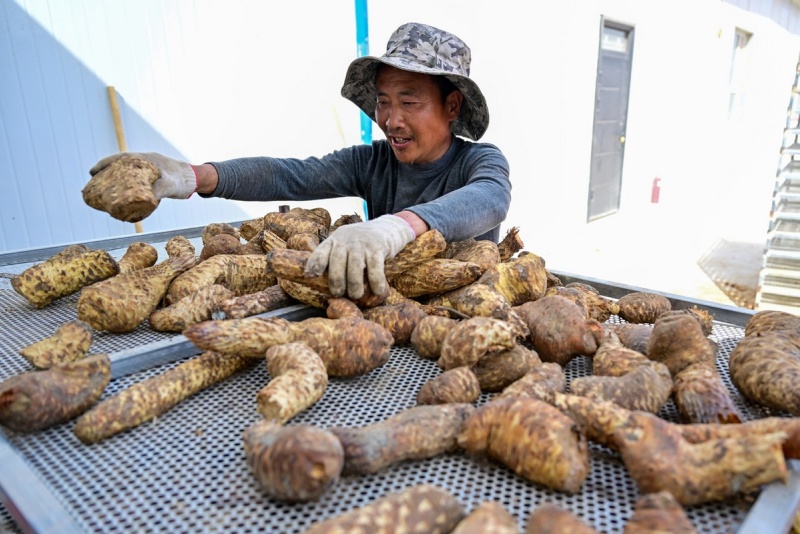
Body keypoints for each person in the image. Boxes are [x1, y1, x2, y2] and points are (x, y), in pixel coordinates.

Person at [89, 22, 511, 300]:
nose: (391, 120)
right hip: (387, 311)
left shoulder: (480, 162)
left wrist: (396, 226)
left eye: (409, 101)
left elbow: (489, 199)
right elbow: (292, 174)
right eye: (383, 102)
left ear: (452, 105)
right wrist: (192, 176)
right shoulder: (374, 162)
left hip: (466, 313)